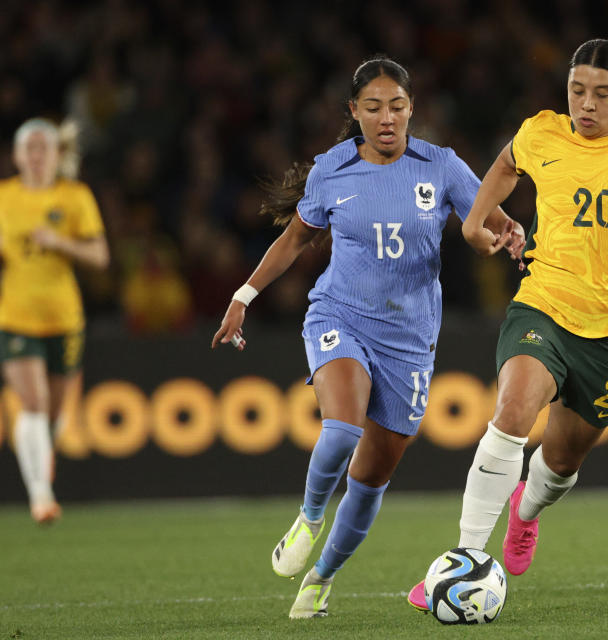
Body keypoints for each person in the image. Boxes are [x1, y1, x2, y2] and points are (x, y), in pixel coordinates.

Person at [408, 38, 608, 609]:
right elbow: (508, 163)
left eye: (601, 94)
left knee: (561, 461)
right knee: (512, 412)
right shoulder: (542, 132)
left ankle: (525, 511)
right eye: (577, 91)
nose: (586, 104)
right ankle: (462, 564)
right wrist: (474, 221)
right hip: (543, 304)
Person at [211, 56, 525, 619]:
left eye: (397, 106)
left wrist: (508, 234)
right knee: (341, 428)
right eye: (374, 107)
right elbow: (293, 240)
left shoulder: (442, 167)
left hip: (409, 341)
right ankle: (308, 519)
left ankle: (321, 579)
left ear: (412, 110)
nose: (387, 118)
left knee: (370, 478)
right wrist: (244, 296)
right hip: (341, 316)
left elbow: (488, 222)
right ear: (353, 112)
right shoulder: (331, 170)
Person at [0, 118, 109, 524]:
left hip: (64, 318)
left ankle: (41, 469)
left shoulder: (75, 196)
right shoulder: (1, 194)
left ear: (56, 155)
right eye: (28, 149)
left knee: (51, 415)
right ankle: (41, 496)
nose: (35, 157)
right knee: (31, 403)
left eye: (42, 149)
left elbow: (100, 257)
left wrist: (60, 242)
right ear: (16, 156)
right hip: (14, 317)